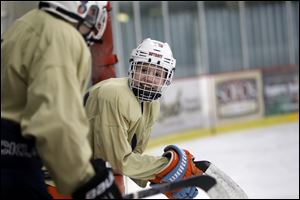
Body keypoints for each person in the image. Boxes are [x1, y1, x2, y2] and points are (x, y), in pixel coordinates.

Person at [1, 1, 122, 199]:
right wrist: (87, 182)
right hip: (16, 171)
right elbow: (56, 121)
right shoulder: (61, 35)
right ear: (83, 8)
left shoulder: (23, 25)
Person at [84, 38, 203, 199]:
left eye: (157, 73)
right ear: (133, 68)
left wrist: (160, 179)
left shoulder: (152, 104)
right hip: (59, 179)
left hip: (88, 177)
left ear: (166, 78)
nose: (149, 78)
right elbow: (116, 160)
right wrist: (164, 167)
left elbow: (133, 154)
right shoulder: (112, 95)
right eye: (144, 70)